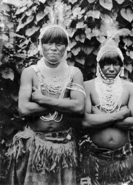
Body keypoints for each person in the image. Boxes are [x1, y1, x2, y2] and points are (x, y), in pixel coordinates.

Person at [6, 24, 86, 185]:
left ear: (66, 47)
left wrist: (44, 99)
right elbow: (24, 109)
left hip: (64, 147)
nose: (53, 48)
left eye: (59, 44)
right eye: (48, 43)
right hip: (36, 146)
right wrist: (63, 102)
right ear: (41, 45)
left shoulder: (74, 73)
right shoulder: (31, 72)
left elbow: (79, 107)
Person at [80, 42, 133, 185]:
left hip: (123, 158)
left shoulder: (130, 88)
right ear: (99, 65)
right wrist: (119, 115)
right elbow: (85, 122)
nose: (112, 69)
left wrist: (98, 113)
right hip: (96, 159)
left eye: (116, 64)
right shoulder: (88, 86)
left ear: (121, 66)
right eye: (107, 64)